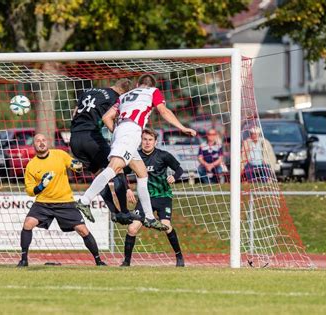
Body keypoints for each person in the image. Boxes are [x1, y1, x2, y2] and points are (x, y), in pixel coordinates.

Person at [75, 74, 197, 231]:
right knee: (114, 168)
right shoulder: (153, 91)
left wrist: (118, 133)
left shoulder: (125, 96)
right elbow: (164, 111)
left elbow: (106, 117)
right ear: (152, 85)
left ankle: (149, 217)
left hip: (123, 131)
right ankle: (84, 200)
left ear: (138, 84)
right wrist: (183, 128)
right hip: (131, 131)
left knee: (142, 173)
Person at [17, 134, 106, 267]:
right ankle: (24, 260)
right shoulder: (31, 165)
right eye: (38, 141)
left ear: (47, 142)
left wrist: (77, 166)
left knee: (82, 230)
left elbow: (73, 164)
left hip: (65, 202)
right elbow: (29, 190)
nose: (41, 143)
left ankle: (99, 261)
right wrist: (41, 186)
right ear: (34, 145)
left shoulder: (59, 154)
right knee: (28, 224)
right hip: (43, 203)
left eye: (43, 140)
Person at [70, 79, 138, 225]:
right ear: (124, 92)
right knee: (117, 169)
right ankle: (124, 213)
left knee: (99, 175)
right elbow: (110, 118)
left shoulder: (88, 91)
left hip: (74, 139)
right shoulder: (116, 98)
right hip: (91, 138)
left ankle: (114, 212)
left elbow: (74, 112)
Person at [122, 128, 185, 267]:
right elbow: (121, 172)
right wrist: (127, 189)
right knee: (132, 229)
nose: (147, 142)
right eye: (144, 139)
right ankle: (126, 262)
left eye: (150, 140)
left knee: (166, 226)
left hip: (163, 197)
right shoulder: (135, 157)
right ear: (140, 141)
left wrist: (174, 177)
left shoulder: (163, 155)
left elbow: (179, 169)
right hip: (145, 199)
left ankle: (179, 256)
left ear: (155, 142)